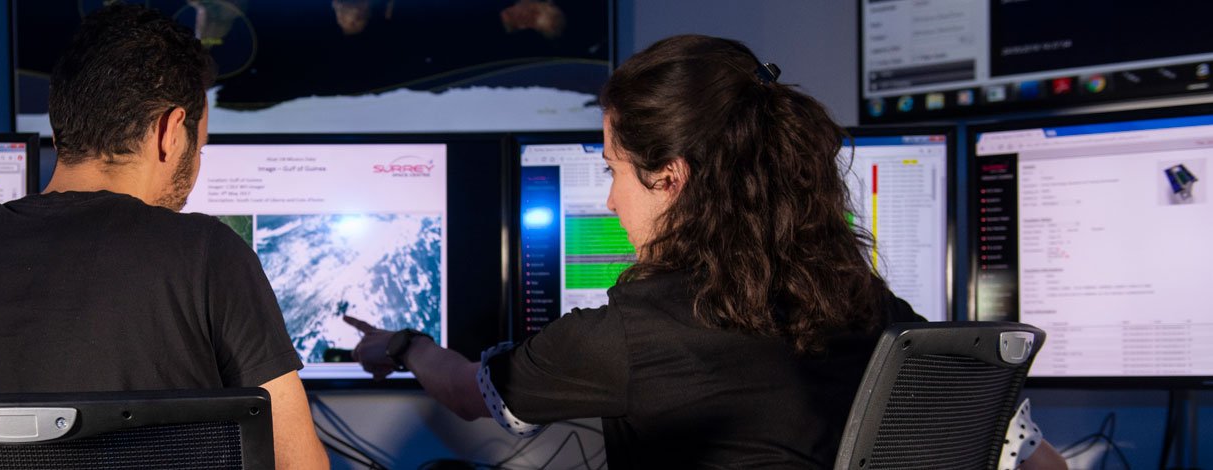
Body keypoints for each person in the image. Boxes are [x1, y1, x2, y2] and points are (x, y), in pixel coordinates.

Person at [348, 35, 1067, 469]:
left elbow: (470, 393)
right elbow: (1035, 461)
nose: (608, 200)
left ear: (671, 178)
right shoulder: (872, 304)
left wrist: (405, 344)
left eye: (612, 168)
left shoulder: (625, 337)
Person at [0, 5, 327, 469]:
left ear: (60, 128)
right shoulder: (207, 255)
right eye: (200, 145)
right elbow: (298, 464)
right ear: (170, 132)